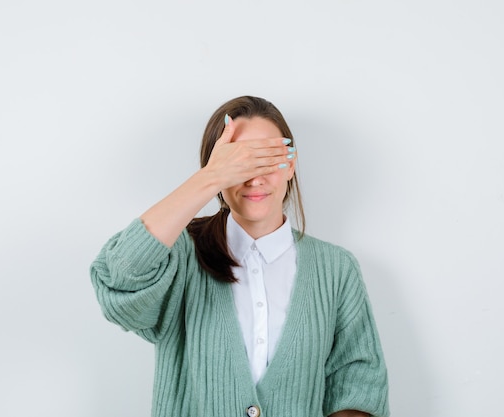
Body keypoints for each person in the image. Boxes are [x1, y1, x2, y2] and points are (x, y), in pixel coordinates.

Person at [90, 96, 389, 417]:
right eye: (240, 162)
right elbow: (118, 279)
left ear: (289, 164)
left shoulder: (336, 269)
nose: (254, 177)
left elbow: (358, 382)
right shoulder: (178, 257)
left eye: (267, 158)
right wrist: (210, 178)